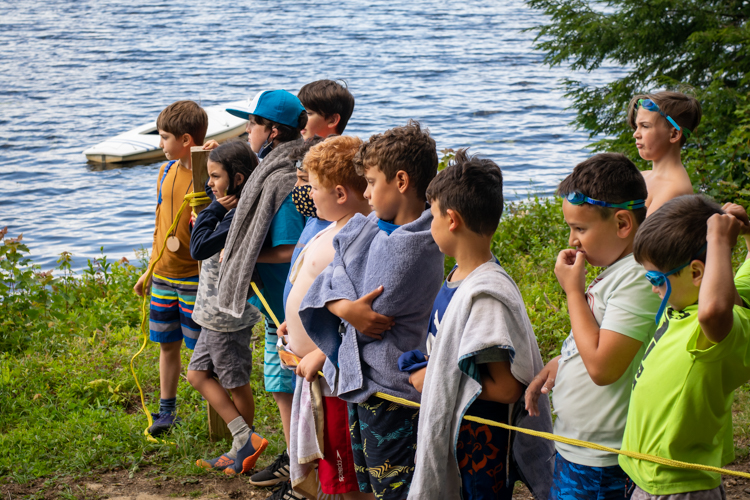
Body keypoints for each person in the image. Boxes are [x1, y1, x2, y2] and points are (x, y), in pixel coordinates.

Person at [299, 121, 445, 500]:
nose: (365, 193)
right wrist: (344, 304)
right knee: (372, 484)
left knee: (394, 488)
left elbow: (370, 314)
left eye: (371, 182)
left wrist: (338, 298)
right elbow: (331, 276)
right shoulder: (374, 225)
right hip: (365, 384)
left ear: (400, 181)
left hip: (391, 389)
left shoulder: (413, 246)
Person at [405, 150, 554, 500]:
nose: (431, 226)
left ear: (452, 219)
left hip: (481, 447)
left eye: (433, 217)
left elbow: (505, 390)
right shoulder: (459, 275)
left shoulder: (485, 295)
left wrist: (435, 379)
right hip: (462, 437)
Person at [525, 153, 662, 499]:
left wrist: (573, 291)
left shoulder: (635, 279)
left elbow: (603, 367)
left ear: (622, 224)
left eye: (580, 228)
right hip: (579, 448)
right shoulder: (615, 271)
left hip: (602, 459)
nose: (572, 240)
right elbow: (595, 337)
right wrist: (560, 363)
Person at [619, 196, 750, 499]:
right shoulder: (685, 299)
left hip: (677, 485)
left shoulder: (721, 328)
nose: (653, 288)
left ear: (695, 273)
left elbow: (713, 311)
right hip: (649, 474)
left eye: (656, 278)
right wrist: (745, 233)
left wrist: (718, 239)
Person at [216, 90, 307, 482]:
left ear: (272, 131)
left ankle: (299, 469)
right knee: (279, 383)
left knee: (288, 385)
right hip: (277, 303)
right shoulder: (270, 171)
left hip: (288, 308)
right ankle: (296, 461)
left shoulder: (283, 180)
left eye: (252, 123)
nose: (247, 129)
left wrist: (244, 256)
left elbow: (290, 249)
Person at [279, 136, 372, 500]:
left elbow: (358, 308)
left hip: (332, 377)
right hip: (310, 368)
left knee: (346, 470)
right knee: (329, 461)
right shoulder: (329, 226)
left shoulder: (356, 235)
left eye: (313, 187)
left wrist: (321, 352)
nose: (307, 194)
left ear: (339, 193)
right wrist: (295, 324)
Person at [186, 141, 268, 476]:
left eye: (215, 176)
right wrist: (215, 205)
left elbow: (198, 246)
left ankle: (244, 447)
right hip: (212, 312)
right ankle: (243, 439)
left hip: (227, 315)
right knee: (196, 374)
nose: (209, 184)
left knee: (236, 383)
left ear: (236, 179)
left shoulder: (236, 214)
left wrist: (213, 210)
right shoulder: (231, 205)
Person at [133, 100, 208, 436]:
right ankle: (166, 410)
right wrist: (149, 270)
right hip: (163, 275)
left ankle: (219, 412)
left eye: (165, 137)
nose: (160, 144)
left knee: (202, 350)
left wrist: (212, 156)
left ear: (187, 140)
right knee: (167, 345)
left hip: (194, 278)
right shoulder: (165, 172)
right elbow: (158, 227)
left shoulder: (207, 174)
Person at [627, 91, 702, 215]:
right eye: (637, 126)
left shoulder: (674, 190)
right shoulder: (643, 176)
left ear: (674, 134)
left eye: (645, 126)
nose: (636, 134)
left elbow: (641, 234)